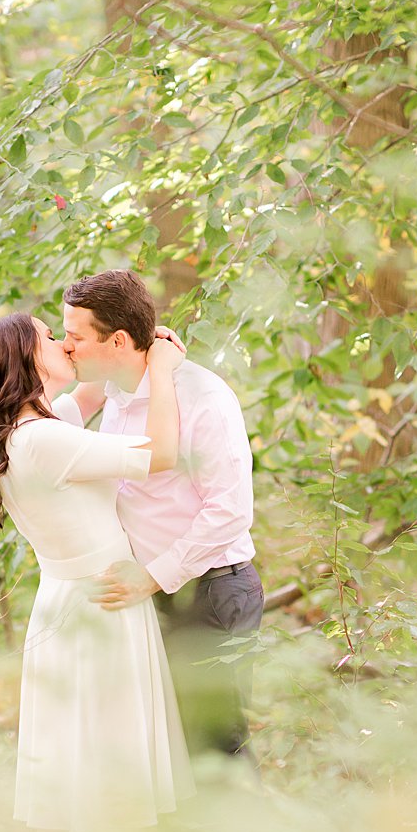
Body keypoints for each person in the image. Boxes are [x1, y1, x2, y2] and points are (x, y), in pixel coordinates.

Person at [0, 311, 195, 832]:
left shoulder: (29, 430)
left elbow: (90, 395)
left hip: (80, 598)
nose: (65, 345)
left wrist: (117, 351)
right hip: (99, 603)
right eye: (51, 336)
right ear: (23, 356)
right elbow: (161, 454)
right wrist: (159, 368)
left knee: (88, 755)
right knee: (102, 756)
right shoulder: (44, 440)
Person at [61, 270, 264, 763]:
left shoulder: (203, 398)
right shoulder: (115, 389)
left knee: (216, 748)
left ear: (118, 340)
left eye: (74, 336)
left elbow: (229, 512)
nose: (66, 347)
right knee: (169, 751)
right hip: (154, 596)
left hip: (211, 593)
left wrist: (151, 578)